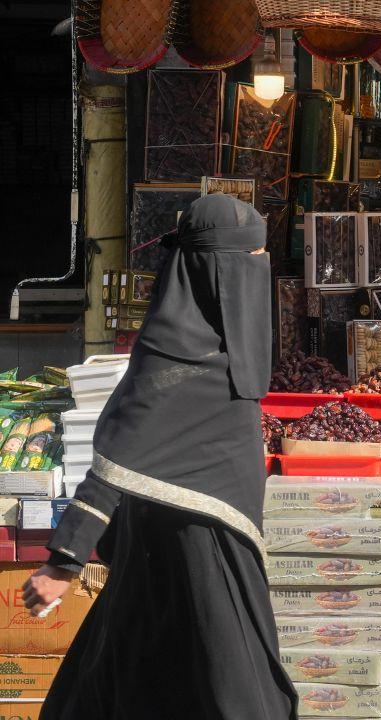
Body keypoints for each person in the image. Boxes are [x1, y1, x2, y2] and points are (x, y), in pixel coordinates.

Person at [23, 194, 297, 719]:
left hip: (215, 541)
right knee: (229, 681)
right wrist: (63, 563)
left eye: (262, 259)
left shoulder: (228, 351)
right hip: (188, 552)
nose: (255, 275)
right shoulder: (173, 354)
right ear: (213, 268)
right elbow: (117, 458)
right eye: (249, 261)